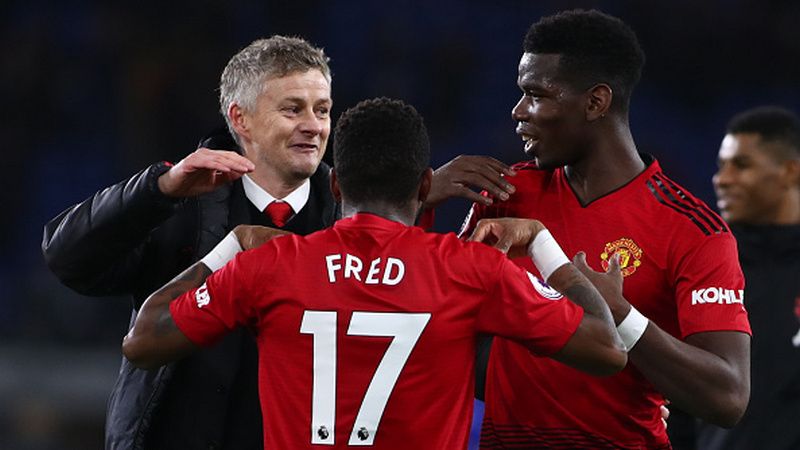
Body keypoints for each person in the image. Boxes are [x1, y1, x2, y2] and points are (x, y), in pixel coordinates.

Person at [121, 96, 628, 449]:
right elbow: (606, 349)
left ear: (336, 185)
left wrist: (233, 244)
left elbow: (143, 339)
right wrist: (542, 243)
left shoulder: (272, 265)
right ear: (426, 183)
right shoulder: (470, 269)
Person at [448, 10, 752, 449]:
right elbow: (440, 333)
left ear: (596, 102)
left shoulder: (693, 230)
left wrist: (623, 318)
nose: (518, 112)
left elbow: (728, 397)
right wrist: (417, 195)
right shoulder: (506, 195)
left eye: (536, 95)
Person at [41, 36, 338, 450]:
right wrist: (157, 190)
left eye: (321, 110)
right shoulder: (177, 205)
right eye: (293, 109)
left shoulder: (351, 218)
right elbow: (67, 258)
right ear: (241, 119)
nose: (314, 125)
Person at [693, 106, 800, 450]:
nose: (722, 179)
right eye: (721, 165)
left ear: (790, 172)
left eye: (741, 165)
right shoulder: (704, 266)